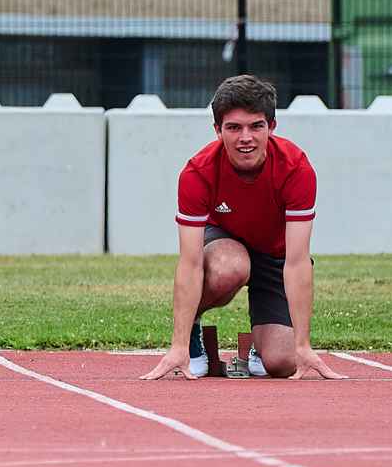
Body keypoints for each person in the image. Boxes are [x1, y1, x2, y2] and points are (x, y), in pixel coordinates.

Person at [142, 75, 344, 381]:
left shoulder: (296, 169)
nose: (245, 137)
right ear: (217, 131)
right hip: (226, 245)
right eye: (234, 127)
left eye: (256, 126)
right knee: (230, 267)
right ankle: (193, 335)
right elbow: (191, 262)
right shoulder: (197, 172)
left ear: (272, 127)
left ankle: (259, 347)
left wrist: (303, 345)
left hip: (276, 256)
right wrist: (177, 345)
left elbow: (298, 261)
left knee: (281, 362)